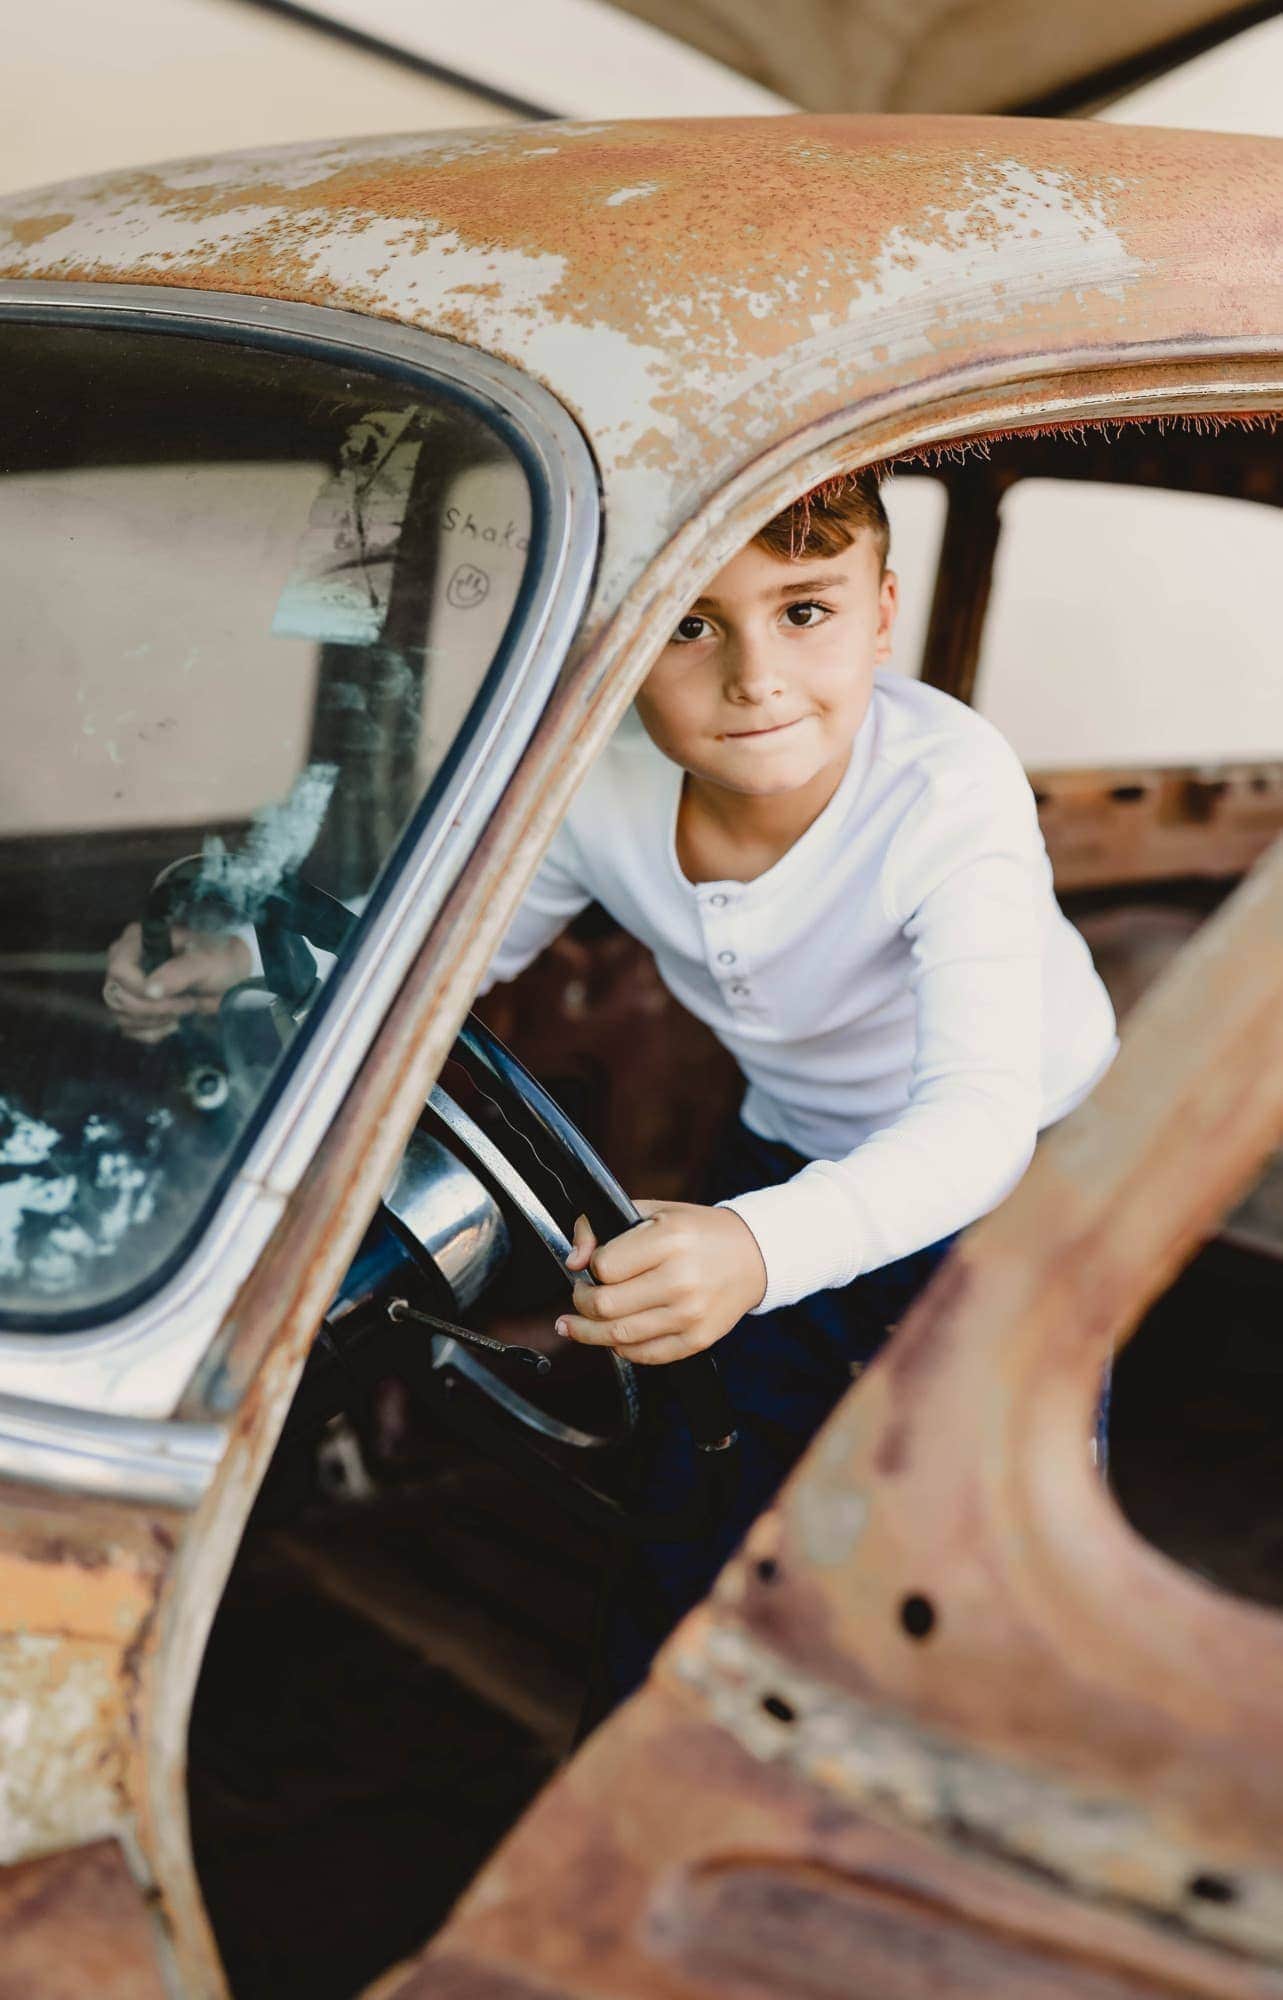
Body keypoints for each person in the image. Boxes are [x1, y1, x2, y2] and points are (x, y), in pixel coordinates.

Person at [103, 468, 1118, 1694]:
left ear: (883, 609)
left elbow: (978, 1121)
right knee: (699, 1486)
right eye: (689, 622)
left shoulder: (946, 789)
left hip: (1027, 1173)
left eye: (803, 610)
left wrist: (750, 1249)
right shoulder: (605, 776)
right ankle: (650, 1740)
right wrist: (236, 962)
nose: (752, 676)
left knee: (980, 1541)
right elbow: (443, 951)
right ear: (621, 637)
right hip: (788, 1146)